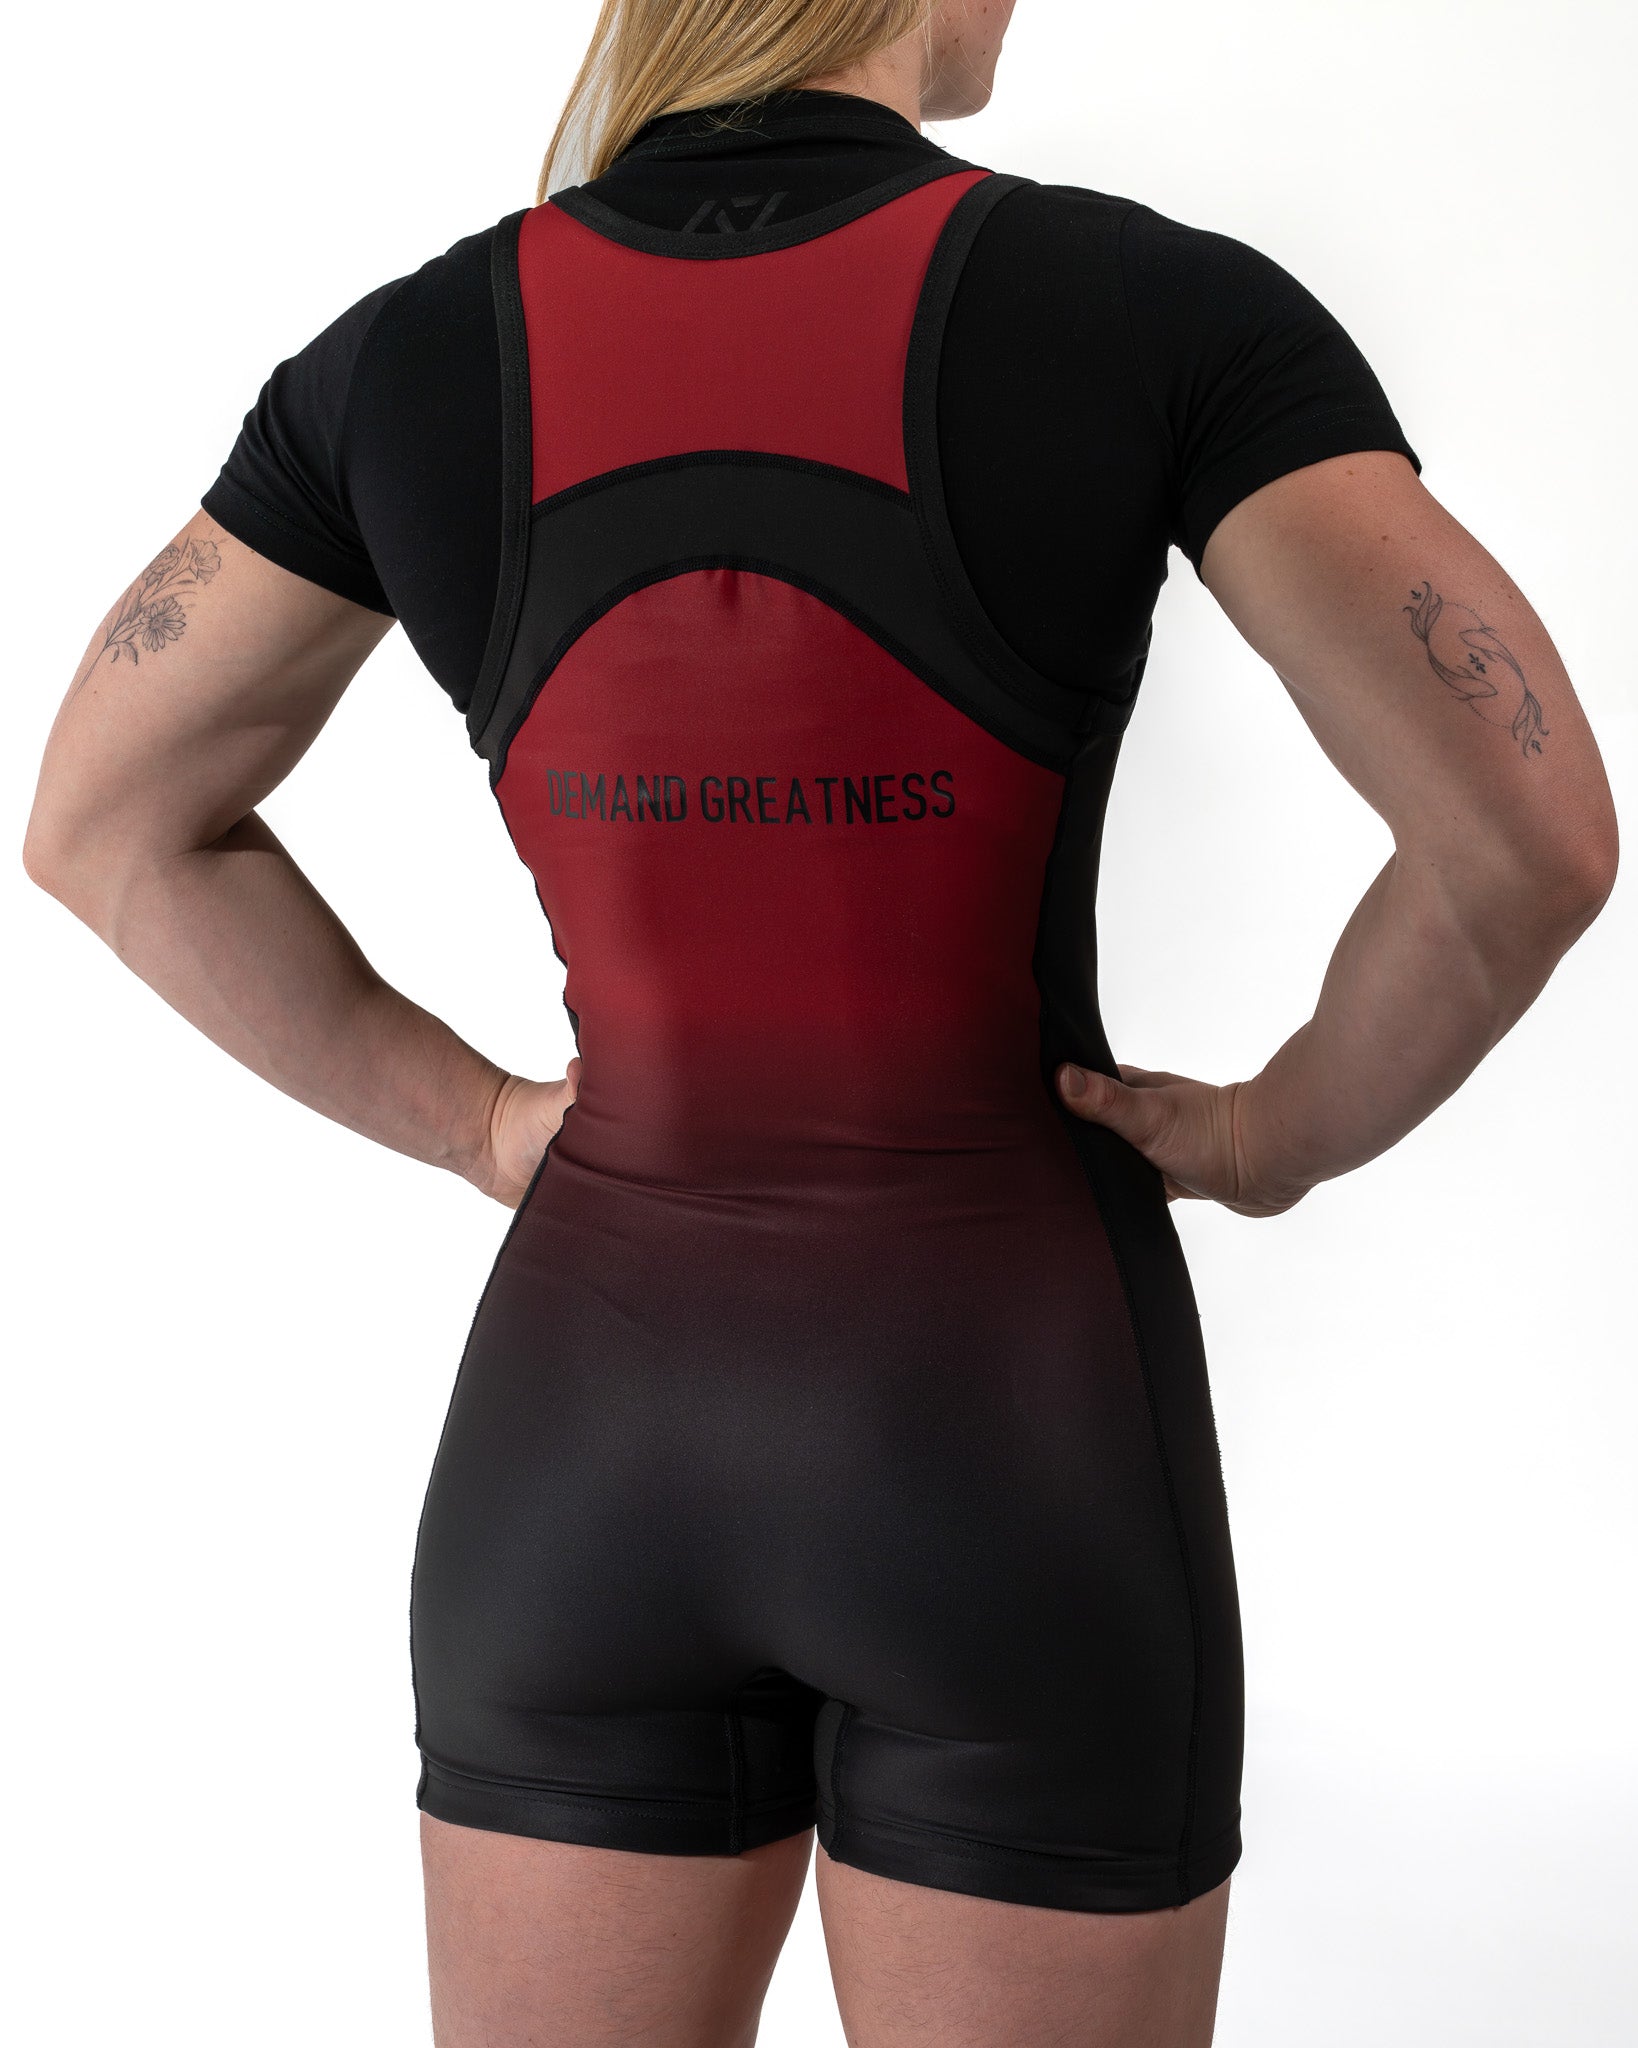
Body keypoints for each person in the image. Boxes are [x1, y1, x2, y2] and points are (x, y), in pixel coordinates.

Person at [22, 0, 1617, 2041]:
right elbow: (1525, 842)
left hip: (575, 1456)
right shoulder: (1155, 311)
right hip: (1009, 1427)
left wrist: (485, 1121)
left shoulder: (409, 358)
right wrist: (1266, 1135)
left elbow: (102, 823)